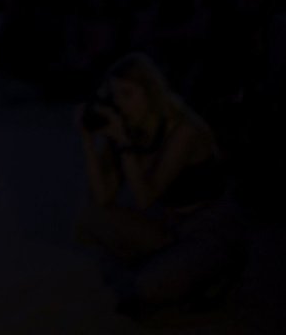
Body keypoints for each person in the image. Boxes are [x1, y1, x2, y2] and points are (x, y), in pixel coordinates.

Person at [74, 51, 246, 318]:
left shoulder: (183, 130)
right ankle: (171, 269)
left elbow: (145, 198)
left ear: (150, 94)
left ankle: (214, 269)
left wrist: (123, 144)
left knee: (148, 288)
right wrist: (88, 140)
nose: (119, 103)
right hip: (168, 222)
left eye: (127, 94)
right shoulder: (128, 126)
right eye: (114, 95)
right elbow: (103, 198)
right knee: (89, 217)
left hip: (209, 225)